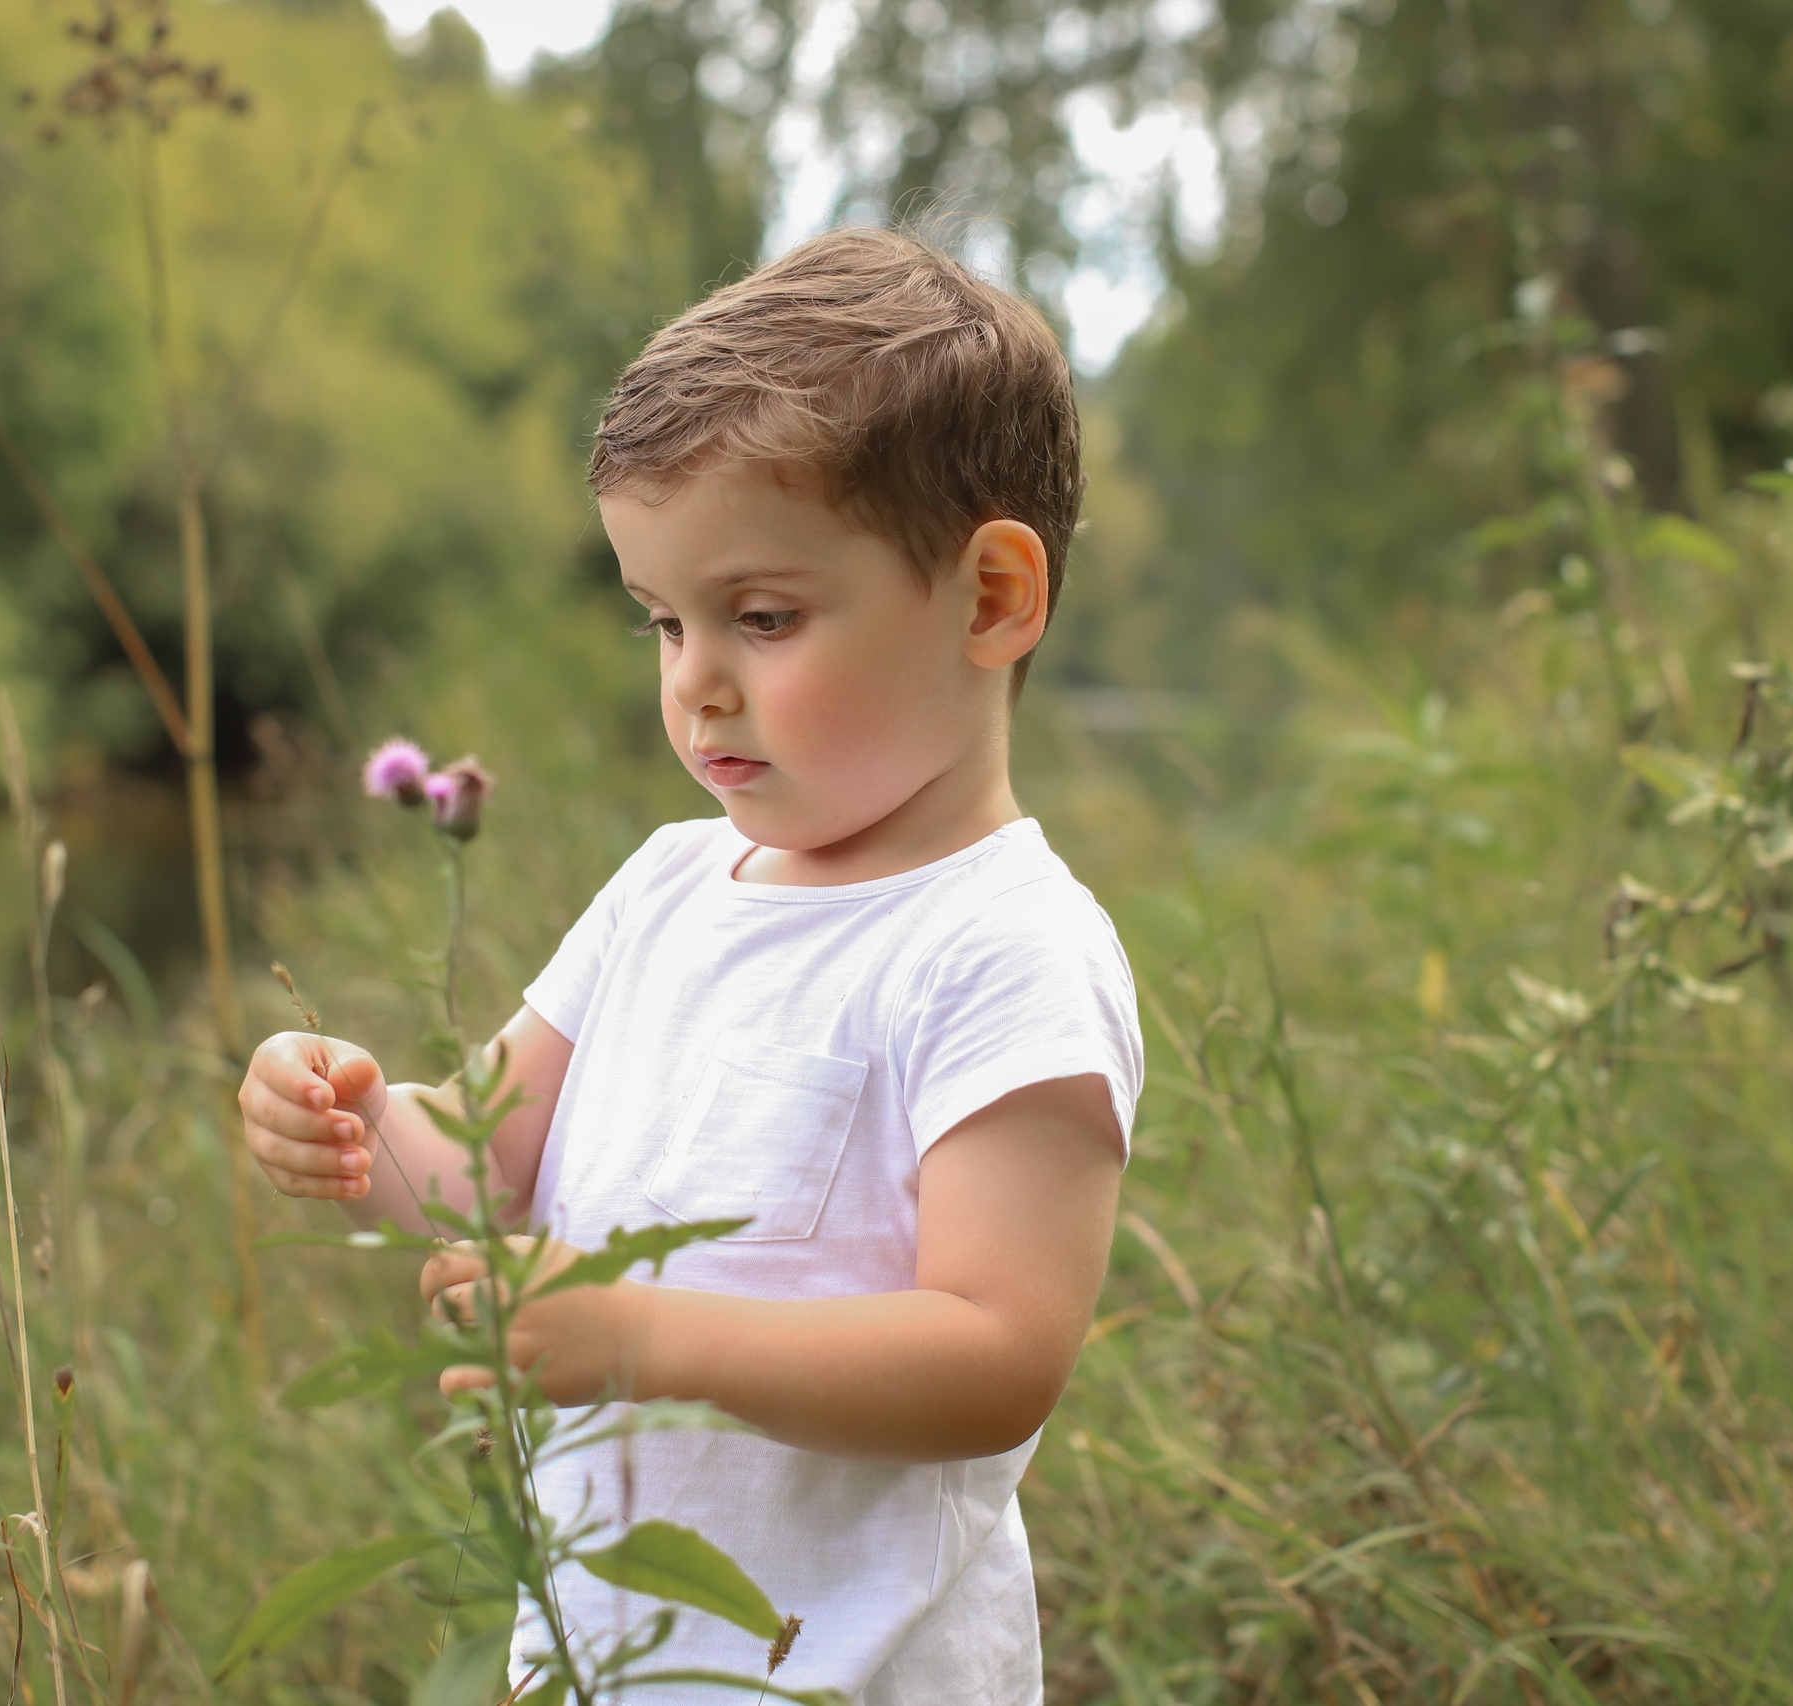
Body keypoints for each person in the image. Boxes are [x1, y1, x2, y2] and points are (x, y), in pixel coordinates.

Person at [238, 226, 1142, 1705]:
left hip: (849, 1675)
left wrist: (647, 1335)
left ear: (990, 598)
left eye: (764, 617)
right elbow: (477, 1168)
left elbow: (999, 1355)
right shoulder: (668, 886)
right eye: (663, 619)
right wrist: (348, 1111)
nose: (694, 679)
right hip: (605, 1655)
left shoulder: (1004, 948)